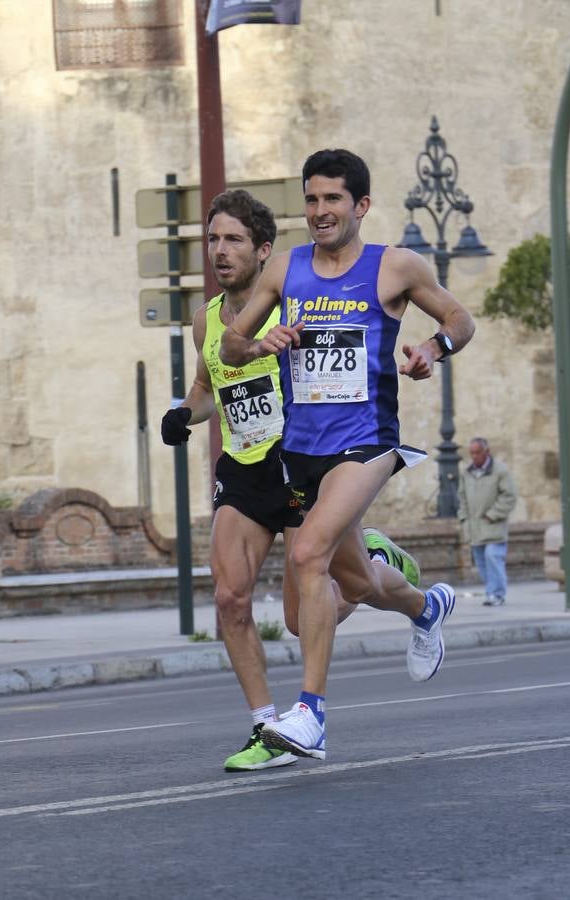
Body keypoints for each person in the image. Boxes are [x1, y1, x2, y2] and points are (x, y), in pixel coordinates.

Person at [220, 149, 475, 761]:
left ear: (360, 205)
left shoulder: (395, 267)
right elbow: (229, 347)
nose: (319, 211)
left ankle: (311, 715)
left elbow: (460, 318)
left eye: (333, 199)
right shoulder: (286, 268)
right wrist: (261, 343)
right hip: (301, 449)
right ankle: (425, 605)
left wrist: (432, 351)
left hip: (366, 443)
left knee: (308, 553)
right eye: (311, 199)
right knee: (347, 583)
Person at [160, 188, 420, 772]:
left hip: (301, 458)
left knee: (307, 619)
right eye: (212, 239)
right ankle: (265, 725)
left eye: (232, 241)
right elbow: (208, 388)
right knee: (230, 597)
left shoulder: (296, 301)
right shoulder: (206, 318)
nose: (219, 252)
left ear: (265, 251)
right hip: (245, 469)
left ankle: (375, 568)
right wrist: (184, 414)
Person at [457, 437, 517, 606]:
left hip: (493, 527)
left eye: (477, 452)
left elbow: (509, 496)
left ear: (486, 452)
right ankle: (492, 592)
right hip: (474, 528)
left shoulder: (500, 471)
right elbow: (462, 498)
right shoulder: (466, 473)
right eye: (472, 453)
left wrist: (493, 514)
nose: (474, 456)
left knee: (493, 558)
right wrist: (464, 518)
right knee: (481, 563)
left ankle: (497, 594)